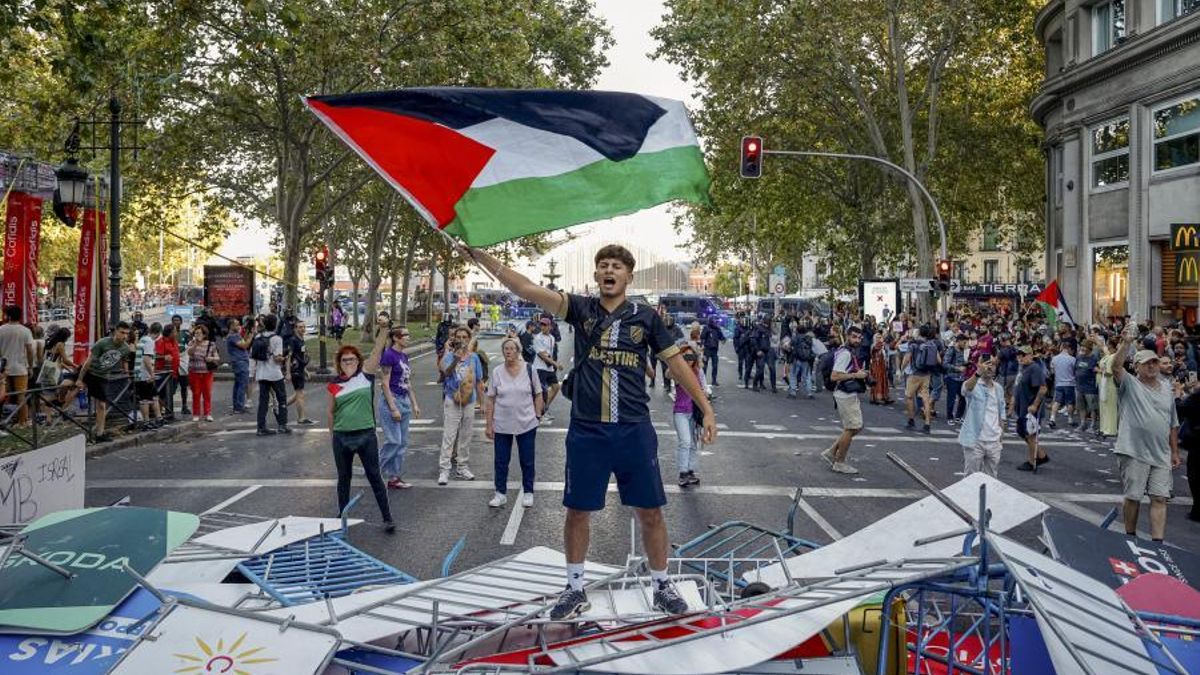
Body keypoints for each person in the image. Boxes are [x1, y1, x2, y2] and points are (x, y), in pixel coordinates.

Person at [464, 243, 715, 620]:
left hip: (633, 429)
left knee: (651, 512)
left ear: (628, 276)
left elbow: (678, 366)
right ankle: (575, 588)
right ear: (596, 276)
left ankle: (662, 585)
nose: (609, 270)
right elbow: (527, 288)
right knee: (577, 511)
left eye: (616, 266)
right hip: (587, 430)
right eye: (603, 266)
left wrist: (705, 407)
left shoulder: (646, 317)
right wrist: (482, 257)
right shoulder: (580, 309)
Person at [1111, 331, 1182, 542]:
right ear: (1137, 367)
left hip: (1161, 453)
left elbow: (1172, 422)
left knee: (1160, 497)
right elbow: (1115, 367)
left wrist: (1175, 452)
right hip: (1133, 450)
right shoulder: (1130, 384)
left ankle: (1158, 544)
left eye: (1154, 362)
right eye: (1146, 363)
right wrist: (1126, 343)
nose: (1151, 366)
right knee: (1133, 497)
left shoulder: (1167, 389)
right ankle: (1130, 537)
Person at [326, 337, 395, 533]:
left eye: (352, 359)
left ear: (358, 361)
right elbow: (330, 411)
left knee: (375, 477)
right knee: (343, 478)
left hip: (366, 435)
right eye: (345, 360)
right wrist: (333, 435)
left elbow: (376, 352)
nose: (349, 363)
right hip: (341, 437)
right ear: (339, 363)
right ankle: (342, 517)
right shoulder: (333, 385)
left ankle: (387, 517)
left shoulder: (366, 376)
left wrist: (383, 330)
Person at [485, 336, 544, 507]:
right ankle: (500, 493)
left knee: (527, 460)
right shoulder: (497, 372)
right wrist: (489, 425)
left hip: (526, 423)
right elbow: (490, 399)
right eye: (506, 349)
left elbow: (538, 394)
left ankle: (528, 492)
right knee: (501, 461)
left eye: (512, 349)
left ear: (518, 351)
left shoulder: (529, 369)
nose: (508, 351)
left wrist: (537, 415)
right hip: (502, 423)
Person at [438, 326, 484, 485]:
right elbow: (446, 373)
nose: (462, 340)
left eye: (465, 337)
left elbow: (479, 381)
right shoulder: (449, 356)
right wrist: (456, 358)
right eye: (459, 337)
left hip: (469, 400)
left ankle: (462, 466)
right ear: (455, 339)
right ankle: (444, 469)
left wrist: (482, 403)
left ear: (469, 338)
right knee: (449, 435)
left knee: (466, 435)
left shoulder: (474, 358)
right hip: (452, 398)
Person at [378, 323, 420, 490]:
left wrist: (415, 403)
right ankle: (376, 470)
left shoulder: (404, 356)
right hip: (392, 400)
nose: (408, 337)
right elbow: (384, 383)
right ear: (396, 338)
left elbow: (407, 382)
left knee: (402, 443)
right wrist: (393, 407)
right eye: (405, 335)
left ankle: (394, 477)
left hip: (404, 400)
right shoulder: (389, 355)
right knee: (394, 441)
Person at [823, 326, 867, 475]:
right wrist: (856, 376)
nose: (857, 340)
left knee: (854, 427)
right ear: (847, 336)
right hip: (844, 393)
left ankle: (831, 452)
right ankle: (839, 462)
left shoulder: (846, 351)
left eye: (859, 337)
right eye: (854, 337)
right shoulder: (845, 354)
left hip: (846, 393)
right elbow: (835, 376)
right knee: (853, 427)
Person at [83, 322, 133, 442]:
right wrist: (80, 378)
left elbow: (125, 362)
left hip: (103, 377)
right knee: (73, 388)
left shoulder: (125, 348)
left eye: (127, 333)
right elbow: (89, 361)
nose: (125, 336)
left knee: (101, 405)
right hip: (90, 372)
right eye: (122, 332)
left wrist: (127, 376)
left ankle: (99, 433)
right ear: (115, 331)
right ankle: (60, 411)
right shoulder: (103, 342)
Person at [957, 356, 1006, 477]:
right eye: (986, 364)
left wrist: (1001, 435)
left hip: (994, 441)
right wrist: (978, 373)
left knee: (991, 478)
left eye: (993, 364)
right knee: (971, 478)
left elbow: (1001, 413)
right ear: (979, 365)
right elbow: (965, 390)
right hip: (975, 440)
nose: (989, 367)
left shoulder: (998, 388)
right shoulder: (974, 385)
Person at [672, 344, 705, 487]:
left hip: (694, 412)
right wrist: (676, 361)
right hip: (680, 412)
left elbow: (704, 389)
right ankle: (682, 473)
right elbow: (668, 373)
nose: (689, 359)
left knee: (693, 443)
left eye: (692, 356)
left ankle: (690, 471)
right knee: (685, 442)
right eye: (686, 356)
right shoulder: (678, 372)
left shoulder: (698, 372)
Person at [252, 314, 289, 435]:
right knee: (281, 398)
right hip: (274, 373)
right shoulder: (277, 339)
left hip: (261, 373)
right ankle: (282, 424)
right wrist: (284, 358)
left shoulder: (257, 337)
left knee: (263, 400)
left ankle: (261, 427)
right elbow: (277, 358)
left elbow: (253, 356)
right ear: (275, 324)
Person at [1014, 345, 1050, 471]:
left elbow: (1043, 388)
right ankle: (1041, 455)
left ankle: (1032, 461)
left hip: (1030, 408)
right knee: (1022, 431)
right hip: (1022, 406)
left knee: (1030, 434)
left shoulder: (1034, 368)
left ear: (1030, 355)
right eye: (1019, 355)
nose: (1020, 357)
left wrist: (1035, 404)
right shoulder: (1023, 368)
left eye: (1023, 355)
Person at [0, 306, 34, 424]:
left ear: (8, 316)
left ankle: (6, 421)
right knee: (21, 396)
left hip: (4, 369)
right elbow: (30, 350)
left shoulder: (1, 329)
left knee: (4, 396)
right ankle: (22, 422)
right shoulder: (25, 331)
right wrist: (30, 366)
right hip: (20, 368)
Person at [904, 326, 938, 433]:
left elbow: (907, 358)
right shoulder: (932, 344)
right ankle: (927, 424)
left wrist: (901, 369)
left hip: (914, 374)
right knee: (925, 399)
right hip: (926, 375)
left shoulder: (913, 345)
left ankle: (911, 420)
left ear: (919, 333)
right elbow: (938, 360)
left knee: (909, 396)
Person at [186, 324, 219, 422]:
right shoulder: (191, 343)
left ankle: (207, 413)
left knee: (207, 393)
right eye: (196, 333)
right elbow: (189, 353)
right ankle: (196, 413)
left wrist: (211, 358)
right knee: (196, 393)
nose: (197, 335)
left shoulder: (211, 344)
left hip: (207, 372)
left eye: (199, 333)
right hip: (194, 372)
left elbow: (217, 357)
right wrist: (196, 343)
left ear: (204, 335)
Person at [135, 322, 164, 429]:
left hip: (140, 373)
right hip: (144, 375)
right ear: (158, 332)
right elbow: (146, 359)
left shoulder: (142, 339)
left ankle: (158, 419)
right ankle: (147, 422)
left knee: (153, 397)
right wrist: (152, 374)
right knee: (145, 399)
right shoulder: (149, 342)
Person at [533, 317, 563, 419]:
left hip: (549, 368)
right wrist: (555, 364)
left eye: (545, 325)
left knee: (556, 387)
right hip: (539, 367)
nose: (543, 327)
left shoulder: (552, 338)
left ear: (550, 326)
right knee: (541, 391)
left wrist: (555, 363)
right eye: (541, 325)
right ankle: (540, 412)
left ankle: (544, 408)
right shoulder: (538, 338)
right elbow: (542, 355)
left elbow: (549, 354)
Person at [286, 321, 315, 425]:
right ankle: (301, 418)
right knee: (300, 394)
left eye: (304, 327)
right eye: (300, 327)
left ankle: (281, 406)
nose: (302, 329)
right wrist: (288, 372)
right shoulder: (293, 340)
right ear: (295, 329)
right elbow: (289, 357)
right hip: (295, 370)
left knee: (300, 394)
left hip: (300, 369)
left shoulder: (302, 340)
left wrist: (305, 370)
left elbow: (301, 357)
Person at [1074, 339, 1101, 434]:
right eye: (1082, 346)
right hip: (1079, 386)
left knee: (1092, 407)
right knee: (1081, 407)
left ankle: (1093, 424)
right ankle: (1083, 423)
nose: (1082, 348)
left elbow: (1098, 369)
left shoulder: (1094, 358)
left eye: (1084, 347)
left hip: (1090, 387)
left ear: (1089, 348)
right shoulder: (1079, 357)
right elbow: (1075, 368)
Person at [1049, 343, 1077, 428]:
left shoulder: (1054, 358)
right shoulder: (1073, 359)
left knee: (1057, 401)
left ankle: (1052, 418)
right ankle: (1070, 419)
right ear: (1068, 348)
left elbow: (1052, 370)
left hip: (1059, 383)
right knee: (1070, 402)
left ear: (1061, 348)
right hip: (1070, 383)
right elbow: (1075, 371)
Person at [156, 325, 181, 421]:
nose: (176, 333)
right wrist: (164, 357)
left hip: (174, 372)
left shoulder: (174, 341)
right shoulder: (161, 342)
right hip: (164, 373)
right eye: (174, 331)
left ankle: (168, 413)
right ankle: (163, 414)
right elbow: (156, 356)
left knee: (171, 393)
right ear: (169, 333)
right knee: (163, 394)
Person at [226, 317, 251, 414]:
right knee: (242, 384)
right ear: (231, 326)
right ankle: (239, 406)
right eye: (236, 324)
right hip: (240, 361)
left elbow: (242, 342)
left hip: (239, 361)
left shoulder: (235, 335)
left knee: (238, 384)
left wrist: (246, 335)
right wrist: (251, 337)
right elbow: (244, 345)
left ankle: (237, 405)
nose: (239, 326)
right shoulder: (232, 336)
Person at [943, 334, 969, 424]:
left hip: (962, 378)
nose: (965, 344)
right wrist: (957, 368)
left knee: (963, 397)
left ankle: (959, 416)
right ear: (959, 341)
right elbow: (945, 364)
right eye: (964, 342)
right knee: (951, 398)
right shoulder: (951, 350)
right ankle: (950, 417)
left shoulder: (965, 351)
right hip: (952, 378)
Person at [170, 314, 191, 415]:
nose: (176, 322)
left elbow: (190, 345)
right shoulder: (168, 334)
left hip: (182, 363)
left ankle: (184, 406)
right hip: (172, 364)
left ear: (181, 322)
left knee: (184, 386)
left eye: (178, 320)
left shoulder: (185, 334)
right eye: (174, 320)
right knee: (172, 388)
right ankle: (169, 408)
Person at [789, 323, 817, 400]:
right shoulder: (809, 338)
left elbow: (789, 346)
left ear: (797, 330)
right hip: (806, 360)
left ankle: (793, 392)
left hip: (796, 359)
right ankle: (809, 393)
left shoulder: (795, 338)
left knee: (793, 375)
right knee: (807, 376)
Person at [699, 318, 725, 386]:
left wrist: (723, 339)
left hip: (714, 350)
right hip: (707, 349)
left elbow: (722, 337)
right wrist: (701, 346)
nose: (715, 324)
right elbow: (702, 337)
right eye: (714, 322)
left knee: (715, 366)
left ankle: (714, 380)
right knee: (704, 366)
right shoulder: (706, 328)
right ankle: (702, 381)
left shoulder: (717, 329)